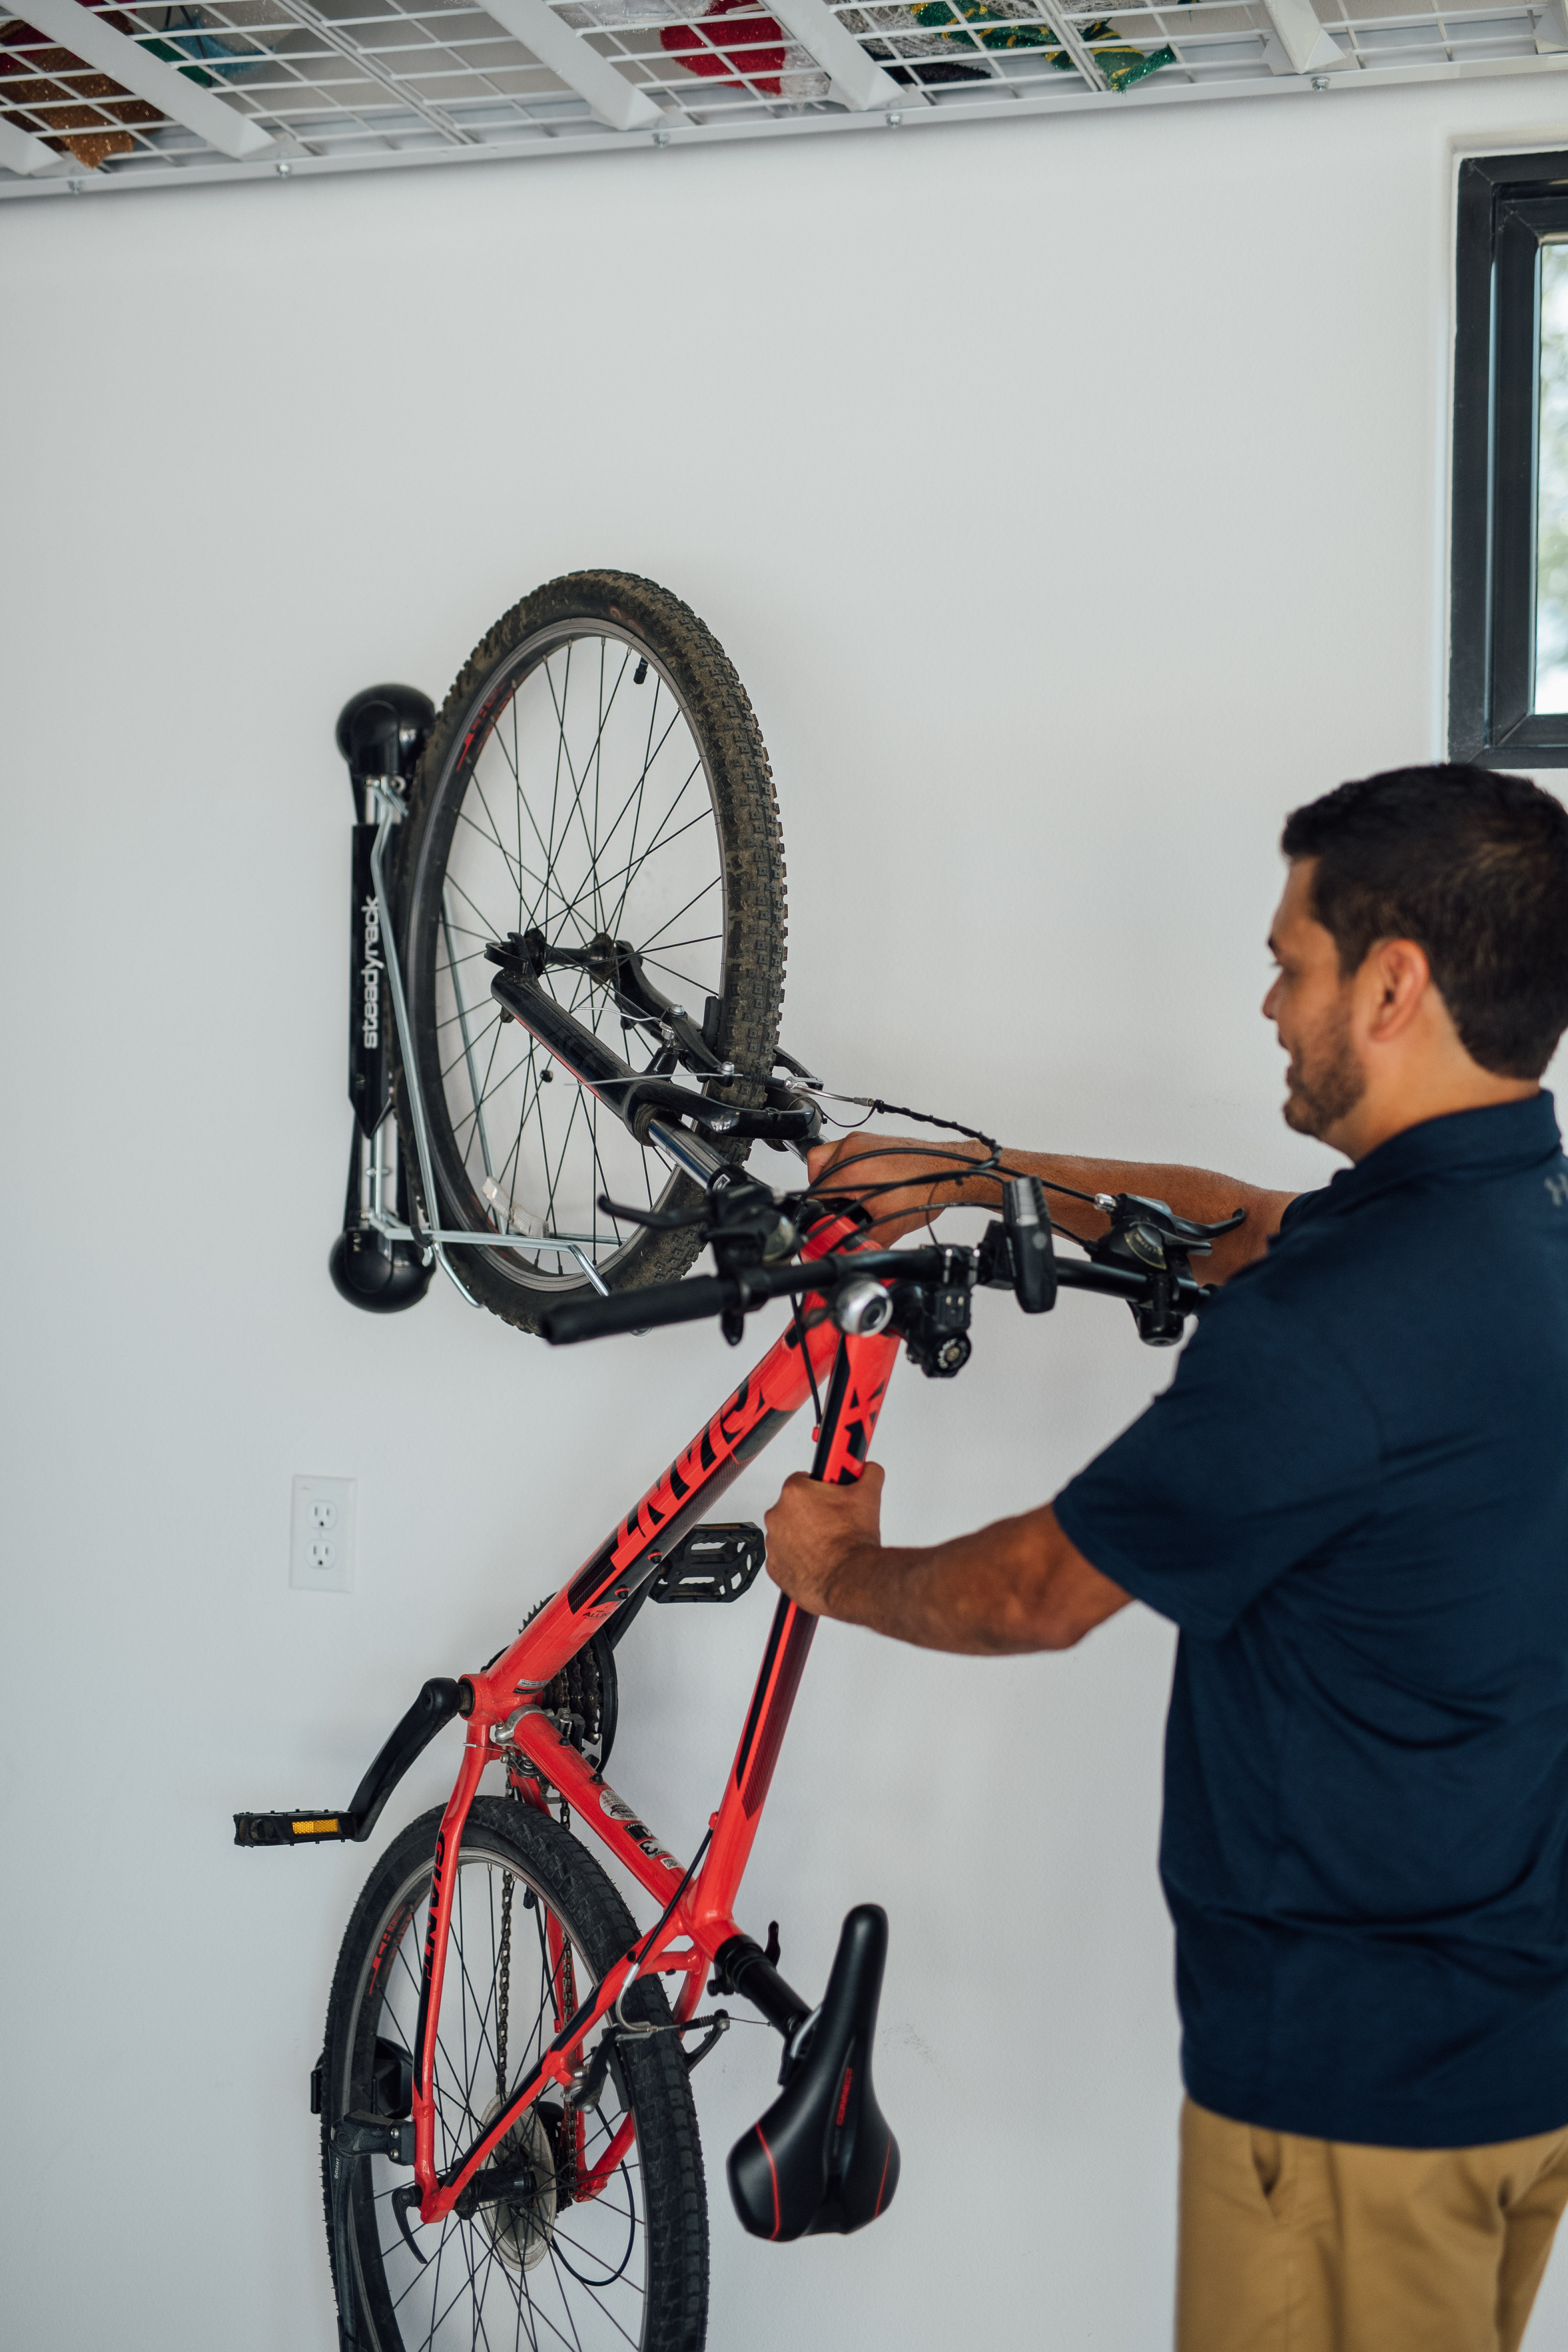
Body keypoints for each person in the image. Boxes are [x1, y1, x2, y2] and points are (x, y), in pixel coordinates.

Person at [763, 765, 1568, 2352]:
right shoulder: (1509, 1220)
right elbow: (1234, 1226)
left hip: (1352, 2111)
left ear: (1393, 984)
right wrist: (979, 1180)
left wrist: (840, 1570)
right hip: (1508, 2052)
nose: (1269, 1001)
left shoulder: (1331, 1341)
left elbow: (1032, 1597)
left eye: (1293, 959)